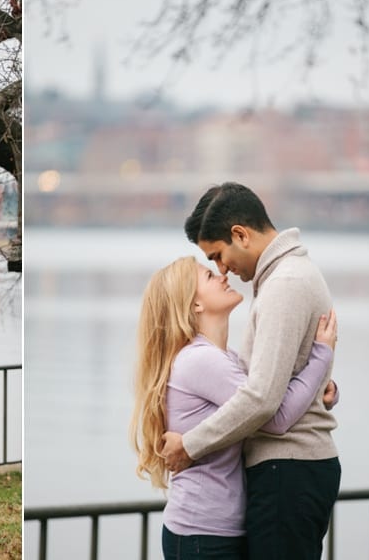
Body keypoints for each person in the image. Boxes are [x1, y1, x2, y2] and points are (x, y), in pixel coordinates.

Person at [160, 182, 341, 559]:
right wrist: (322, 380)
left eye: (218, 256)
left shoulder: (284, 284)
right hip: (288, 470)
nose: (223, 269)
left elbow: (260, 400)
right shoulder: (283, 279)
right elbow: (268, 379)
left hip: (288, 468)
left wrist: (189, 445)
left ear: (240, 235)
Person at [130, 256, 337, 559]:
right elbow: (275, 416)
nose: (223, 276)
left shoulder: (224, 358)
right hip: (204, 534)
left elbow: (271, 397)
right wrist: (321, 357)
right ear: (195, 305)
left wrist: (323, 391)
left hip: (216, 530)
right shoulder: (201, 361)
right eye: (210, 277)